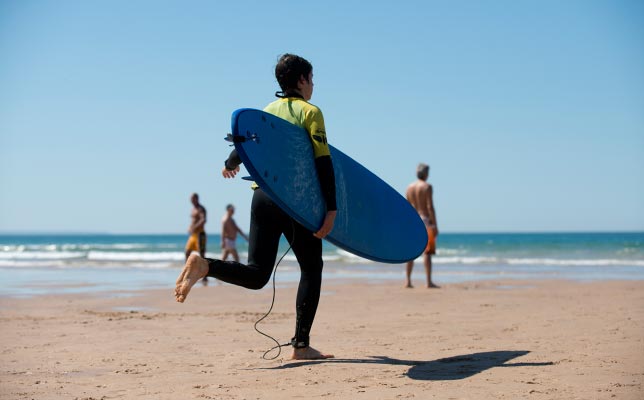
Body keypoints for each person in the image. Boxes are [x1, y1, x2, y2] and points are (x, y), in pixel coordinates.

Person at [175, 54, 337, 360]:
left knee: (258, 273)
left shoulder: (267, 112)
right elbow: (323, 162)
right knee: (312, 268)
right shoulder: (311, 112)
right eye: (312, 78)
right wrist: (331, 209)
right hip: (293, 200)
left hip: (262, 197)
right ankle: (301, 346)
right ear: (301, 80)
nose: (313, 85)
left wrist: (229, 163)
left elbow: (243, 146)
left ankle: (206, 265)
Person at [405, 163, 439, 288]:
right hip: (425, 219)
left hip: (413, 221)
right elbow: (430, 207)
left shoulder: (409, 187)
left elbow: (407, 207)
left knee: (410, 252)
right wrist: (435, 225)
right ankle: (428, 281)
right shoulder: (427, 187)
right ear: (426, 173)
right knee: (428, 252)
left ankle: (408, 281)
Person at [185, 193, 207, 261]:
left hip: (200, 234)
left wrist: (194, 227)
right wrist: (190, 227)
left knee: (201, 255)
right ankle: (188, 269)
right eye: (190, 199)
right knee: (187, 252)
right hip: (193, 235)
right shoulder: (193, 209)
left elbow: (203, 220)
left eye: (192, 198)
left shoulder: (201, 209)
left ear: (196, 199)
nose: (191, 200)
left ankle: (204, 271)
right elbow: (193, 221)